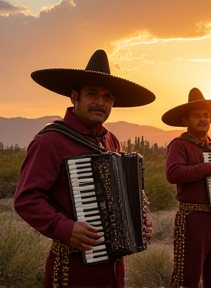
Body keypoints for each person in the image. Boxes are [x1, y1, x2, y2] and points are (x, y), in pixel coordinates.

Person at [14, 49, 155, 288]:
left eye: (108, 96)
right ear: (74, 97)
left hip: (113, 266)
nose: (100, 102)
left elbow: (124, 194)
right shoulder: (50, 141)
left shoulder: (111, 141)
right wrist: (64, 227)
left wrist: (141, 217)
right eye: (92, 94)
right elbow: (26, 199)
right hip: (73, 266)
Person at [161, 87, 211, 288]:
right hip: (194, 219)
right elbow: (172, 173)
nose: (203, 120)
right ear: (186, 120)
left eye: (206, 116)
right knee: (187, 279)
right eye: (197, 116)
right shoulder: (179, 144)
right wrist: (204, 168)